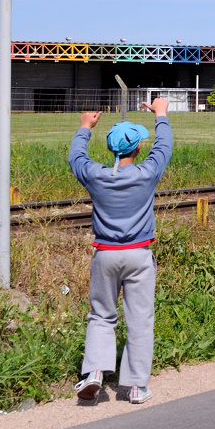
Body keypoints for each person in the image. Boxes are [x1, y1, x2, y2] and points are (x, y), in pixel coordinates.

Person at [68, 98, 172, 405]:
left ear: (110, 149)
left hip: (105, 255)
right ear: (138, 148)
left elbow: (76, 157)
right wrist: (161, 114)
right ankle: (136, 386)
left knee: (101, 314)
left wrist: (84, 128)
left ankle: (94, 372)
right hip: (139, 255)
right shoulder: (147, 173)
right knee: (140, 319)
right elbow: (163, 147)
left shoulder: (96, 176)